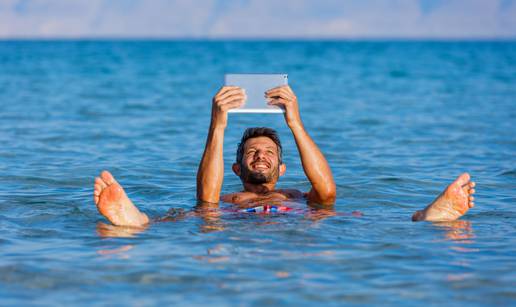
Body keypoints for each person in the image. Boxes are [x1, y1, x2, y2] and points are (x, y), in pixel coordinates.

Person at [93, 85, 476, 228]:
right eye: (252, 153)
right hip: (233, 222)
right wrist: (218, 125)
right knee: (197, 214)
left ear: (282, 166)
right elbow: (206, 198)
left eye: (269, 153)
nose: (260, 156)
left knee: (338, 211)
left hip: (296, 224)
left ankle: (429, 217)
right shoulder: (226, 198)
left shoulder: (297, 196)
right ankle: (136, 220)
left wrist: (294, 121)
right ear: (237, 166)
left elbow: (326, 191)